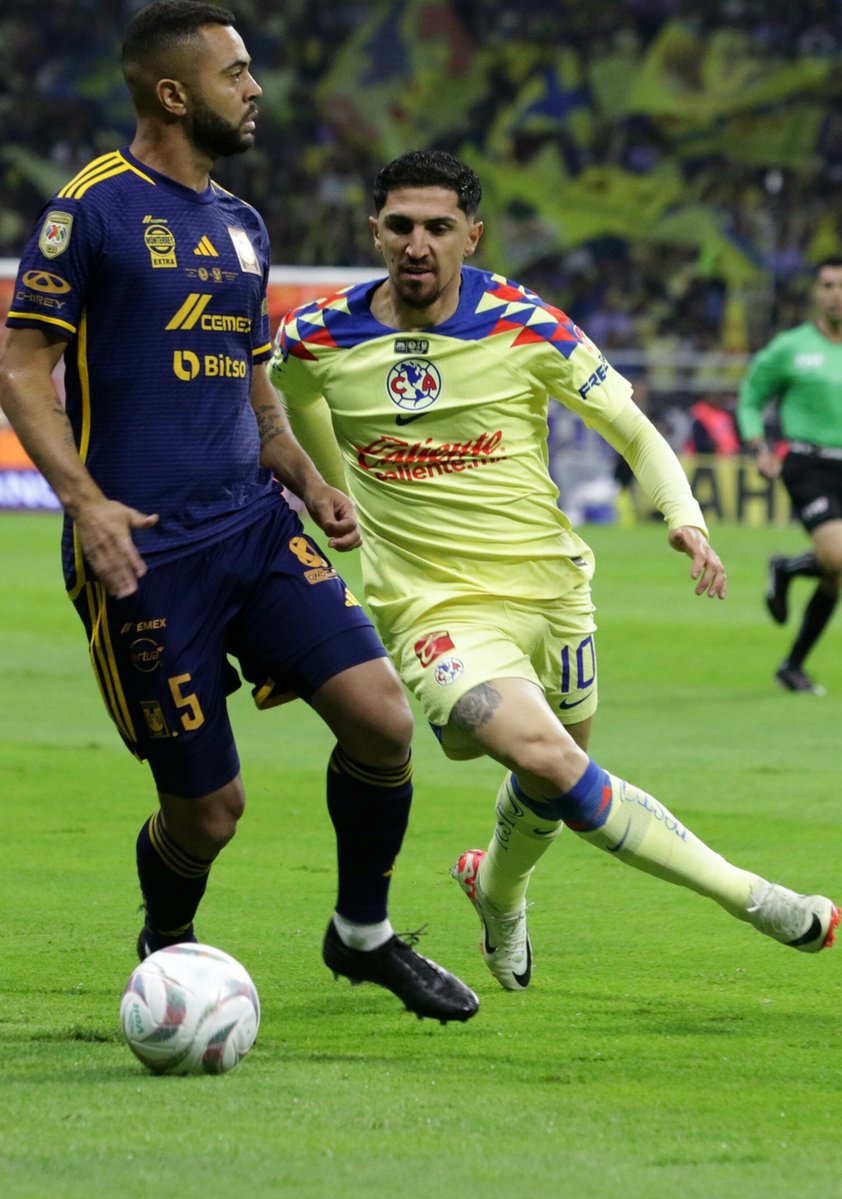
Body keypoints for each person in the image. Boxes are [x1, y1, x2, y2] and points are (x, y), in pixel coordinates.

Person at [0, 8, 478, 1025]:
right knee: (208, 812)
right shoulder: (88, 211)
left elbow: (250, 381)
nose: (255, 88)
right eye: (235, 72)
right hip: (144, 555)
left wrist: (303, 477)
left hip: (254, 528)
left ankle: (361, 935)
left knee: (384, 723)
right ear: (173, 93)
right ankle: (167, 952)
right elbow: (21, 368)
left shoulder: (242, 224)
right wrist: (83, 505)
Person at [270, 149, 839, 992]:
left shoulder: (525, 323)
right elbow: (287, 391)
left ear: (473, 234)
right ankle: (761, 901)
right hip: (433, 609)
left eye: (437, 228)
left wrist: (685, 519)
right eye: (399, 227)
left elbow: (636, 430)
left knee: (549, 778)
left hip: (553, 594)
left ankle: (496, 890)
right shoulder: (317, 333)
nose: (417, 245)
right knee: (553, 763)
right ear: (374, 232)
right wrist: (326, 486)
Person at [737, 256, 842, 696]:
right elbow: (750, 397)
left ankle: (792, 665)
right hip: (808, 464)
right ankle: (785, 568)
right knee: (839, 558)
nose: (836, 294)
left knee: (835, 577)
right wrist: (759, 446)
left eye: (841, 286)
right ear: (816, 294)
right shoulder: (792, 346)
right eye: (827, 285)